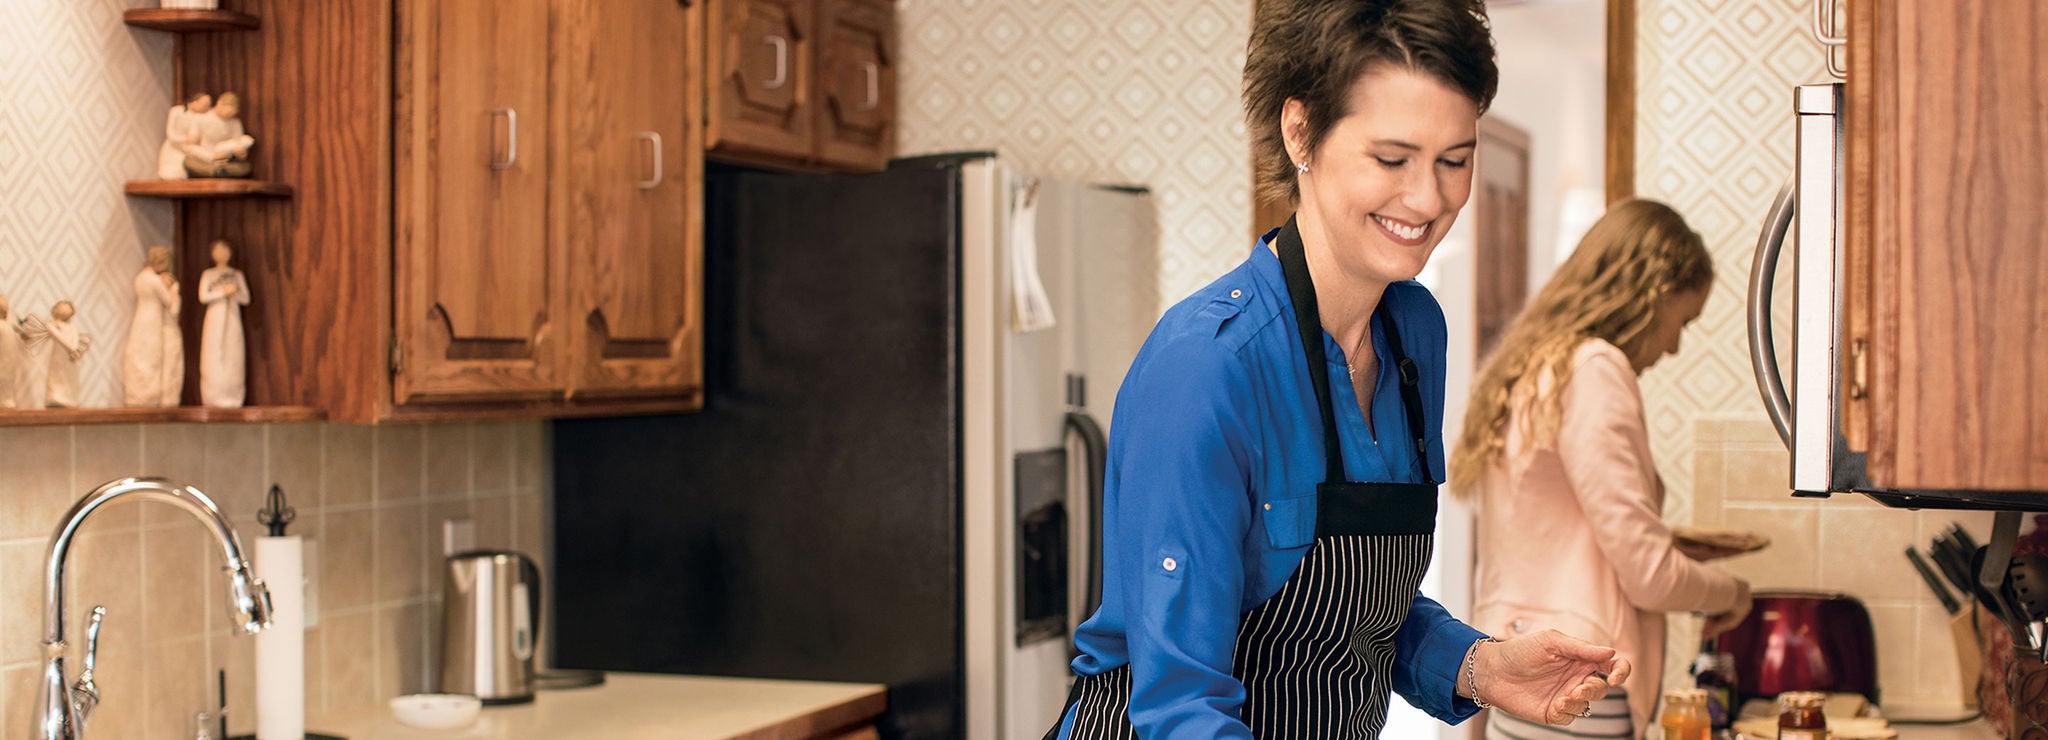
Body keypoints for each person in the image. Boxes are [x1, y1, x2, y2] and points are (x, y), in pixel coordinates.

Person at [1050, 2, 1629, 737]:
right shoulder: (1207, 366)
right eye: (1392, 159)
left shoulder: (1415, 334)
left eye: (1455, 160)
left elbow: (1356, 610)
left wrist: (1482, 666)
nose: (1428, 199)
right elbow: (1179, 706)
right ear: (1301, 133)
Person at [1452, 199, 1755, 739]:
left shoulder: (1534, 365)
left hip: (1518, 672)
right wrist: (1733, 594)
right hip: (1579, 682)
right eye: (1681, 321)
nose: (1675, 346)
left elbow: (1551, 536)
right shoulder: (1594, 368)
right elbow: (1650, 578)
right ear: (1653, 294)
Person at [124, 246, 181, 407]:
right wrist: (173, 290)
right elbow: (169, 302)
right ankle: (148, 395)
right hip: (153, 321)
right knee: (151, 357)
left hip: (140, 318)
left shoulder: (140, 278)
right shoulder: (153, 280)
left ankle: (138, 393)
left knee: (140, 354)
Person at [198, 239, 250, 408]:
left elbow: (246, 298)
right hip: (215, 317)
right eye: (218, 251)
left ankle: (233, 395)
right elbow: (203, 297)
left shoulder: (236, 275)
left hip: (233, 317)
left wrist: (234, 293)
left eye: (224, 251)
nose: (221, 255)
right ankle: (212, 395)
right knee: (213, 352)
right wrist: (222, 292)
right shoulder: (208, 274)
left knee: (233, 352)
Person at [184, 91, 255, 178]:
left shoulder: (235, 123)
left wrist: (240, 152)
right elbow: (191, 146)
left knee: (244, 167)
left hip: (226, 161)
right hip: (204, 159)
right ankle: (215, 171)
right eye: (228, 111)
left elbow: (237, 142)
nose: (229, 115)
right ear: (219, 104)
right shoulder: (200, 119)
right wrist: (211, 156)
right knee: (189, 162)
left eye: (232, 113)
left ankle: (220, 171)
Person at [157, 92, 211, 180]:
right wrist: (186, 139)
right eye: (204, 104)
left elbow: (196, 135)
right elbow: (171, 134)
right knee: (170, 173)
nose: (206, 107)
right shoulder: (176, 111)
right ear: (194, 102)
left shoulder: (200, 117)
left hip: (188, 149)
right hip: (173, 148)